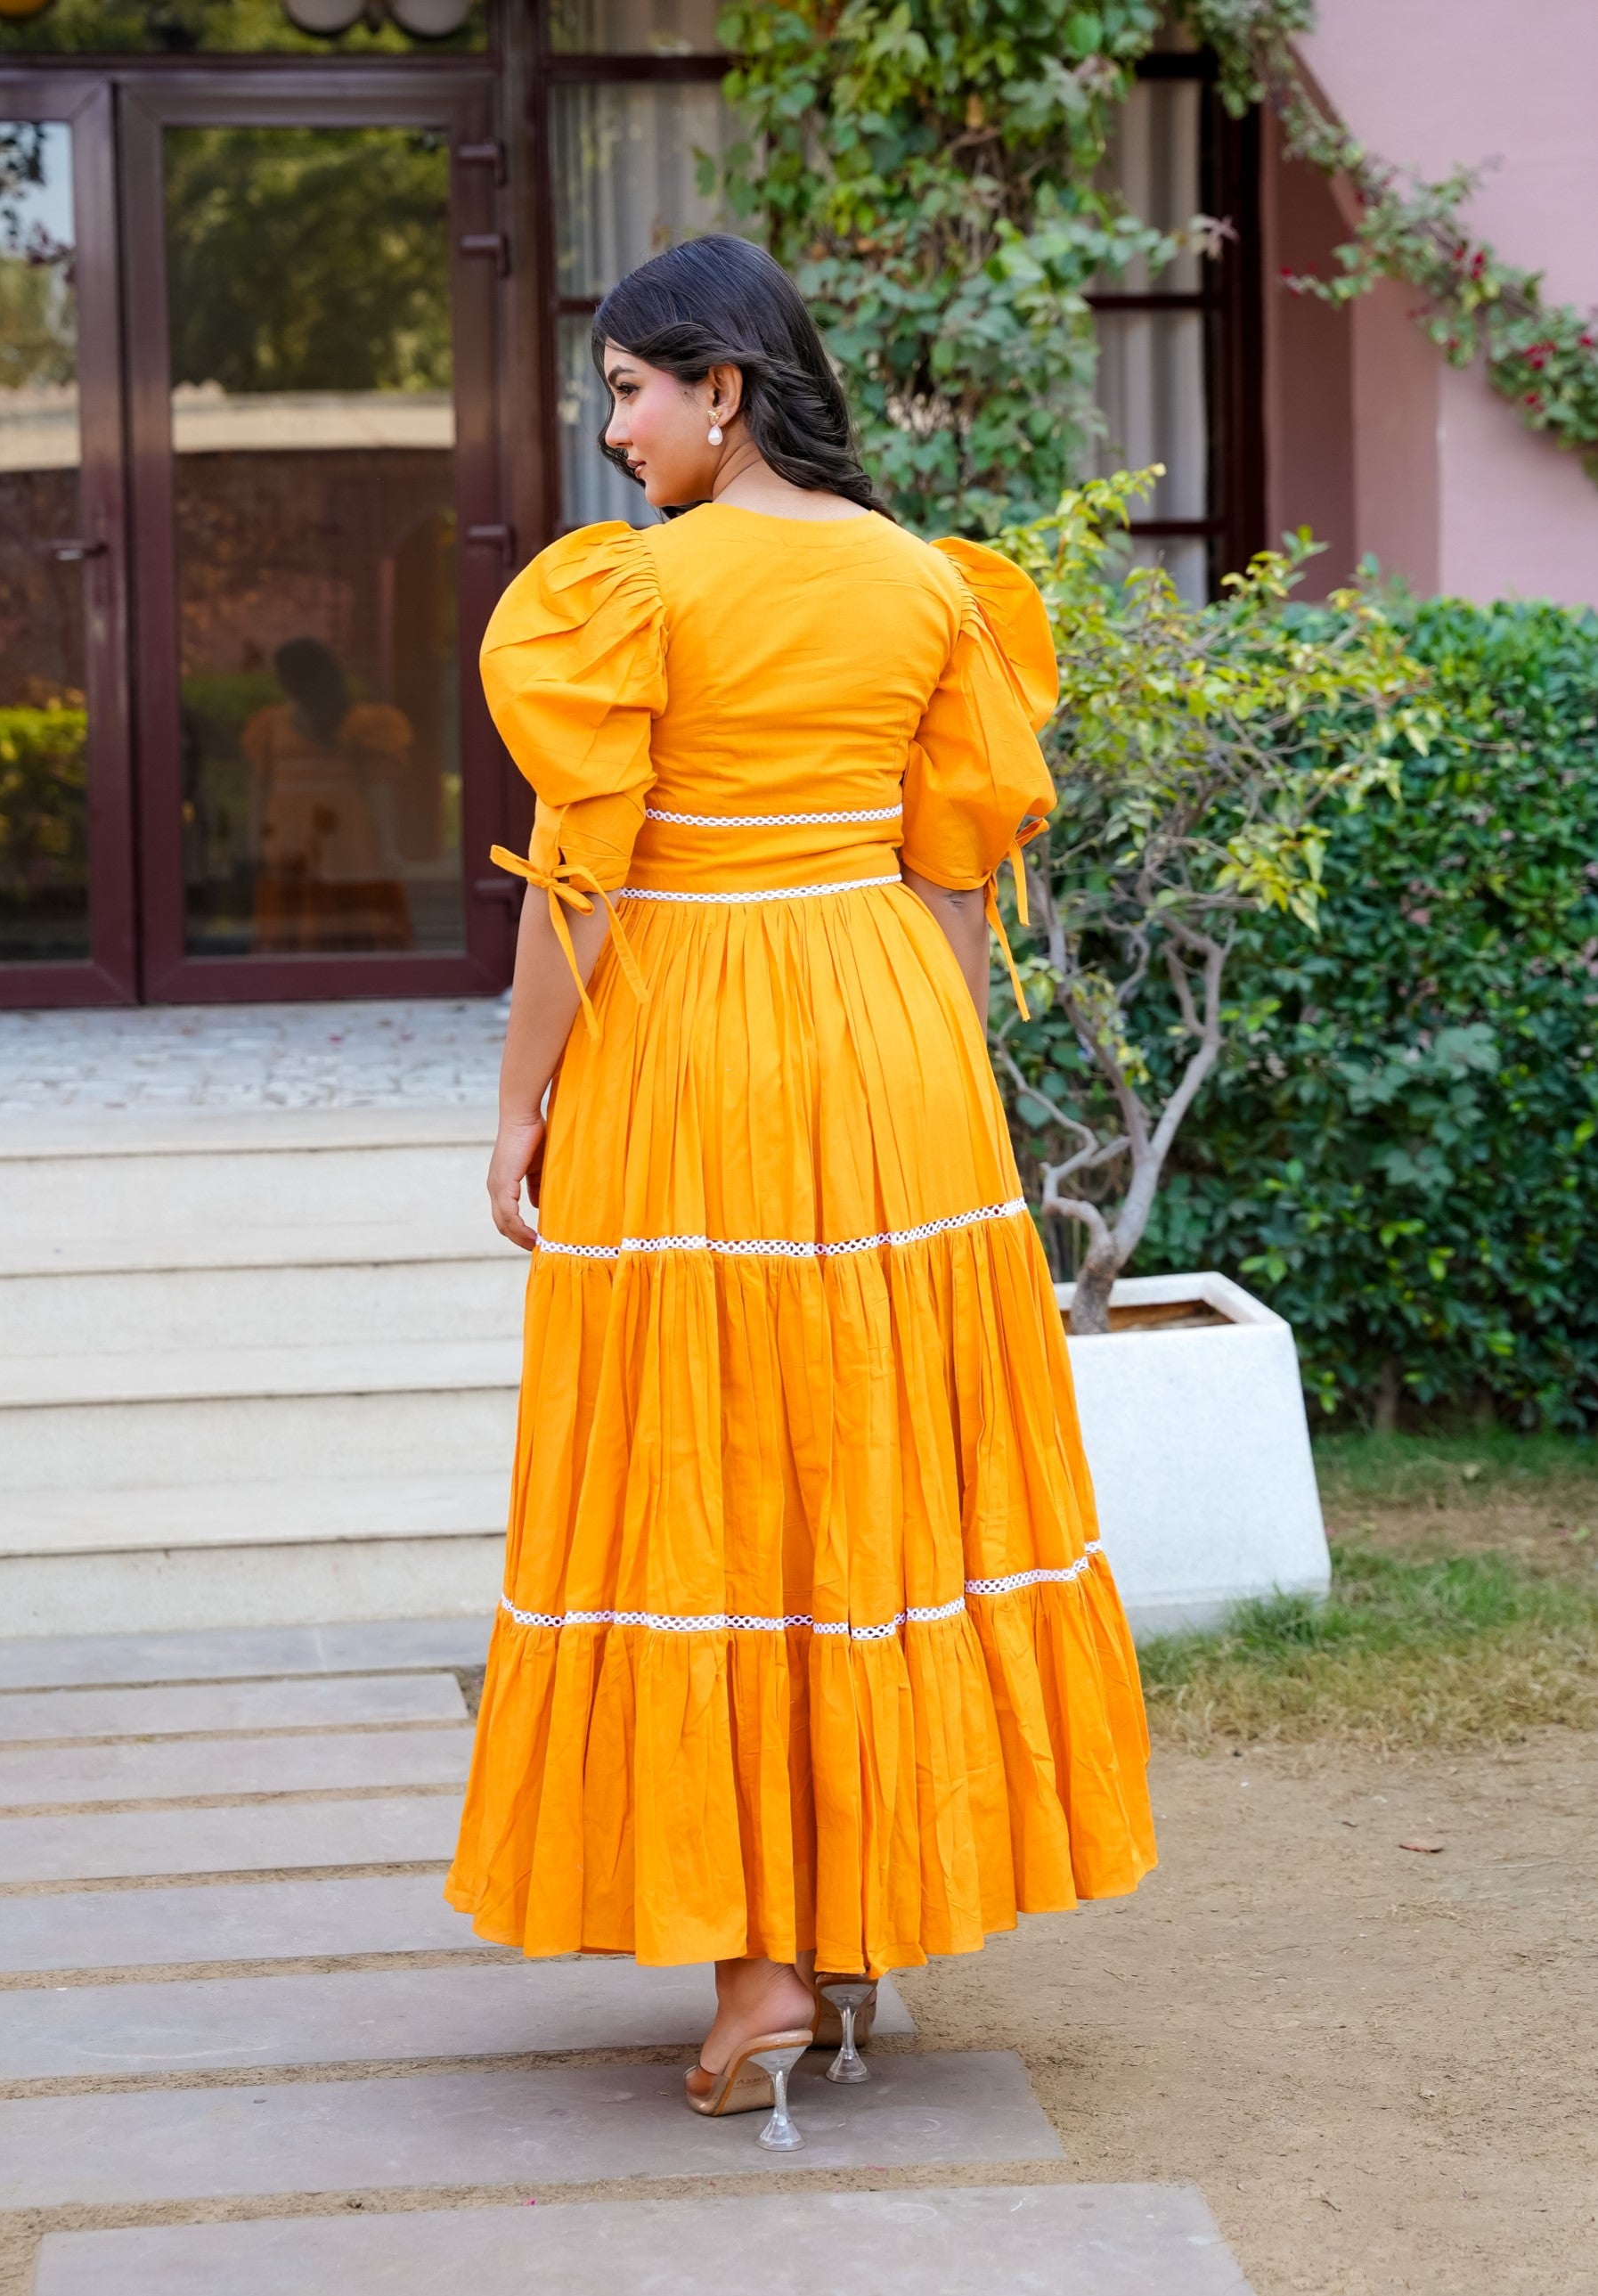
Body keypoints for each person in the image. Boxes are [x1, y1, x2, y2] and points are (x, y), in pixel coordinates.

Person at [445, 234, 1154, 2148]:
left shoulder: (622, 597)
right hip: (883, 1043)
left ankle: (755, 1956)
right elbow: (952, 882)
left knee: (701, 1468)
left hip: (687, 1031)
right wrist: (944, 1097)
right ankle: (840, 1912)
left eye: (629, 391)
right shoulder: (939, 587)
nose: (612, 434)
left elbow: (572, 881)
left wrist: (518, 1102)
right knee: (864, 1463)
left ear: (722, 390)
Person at [242, 637, 416, 953]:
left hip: (342, 831)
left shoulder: (362, 722)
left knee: (349, 904)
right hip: (290, 833)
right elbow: (259, 788)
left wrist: (388, 848)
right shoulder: (270, 723)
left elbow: (378, 789)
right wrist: (253, 842)